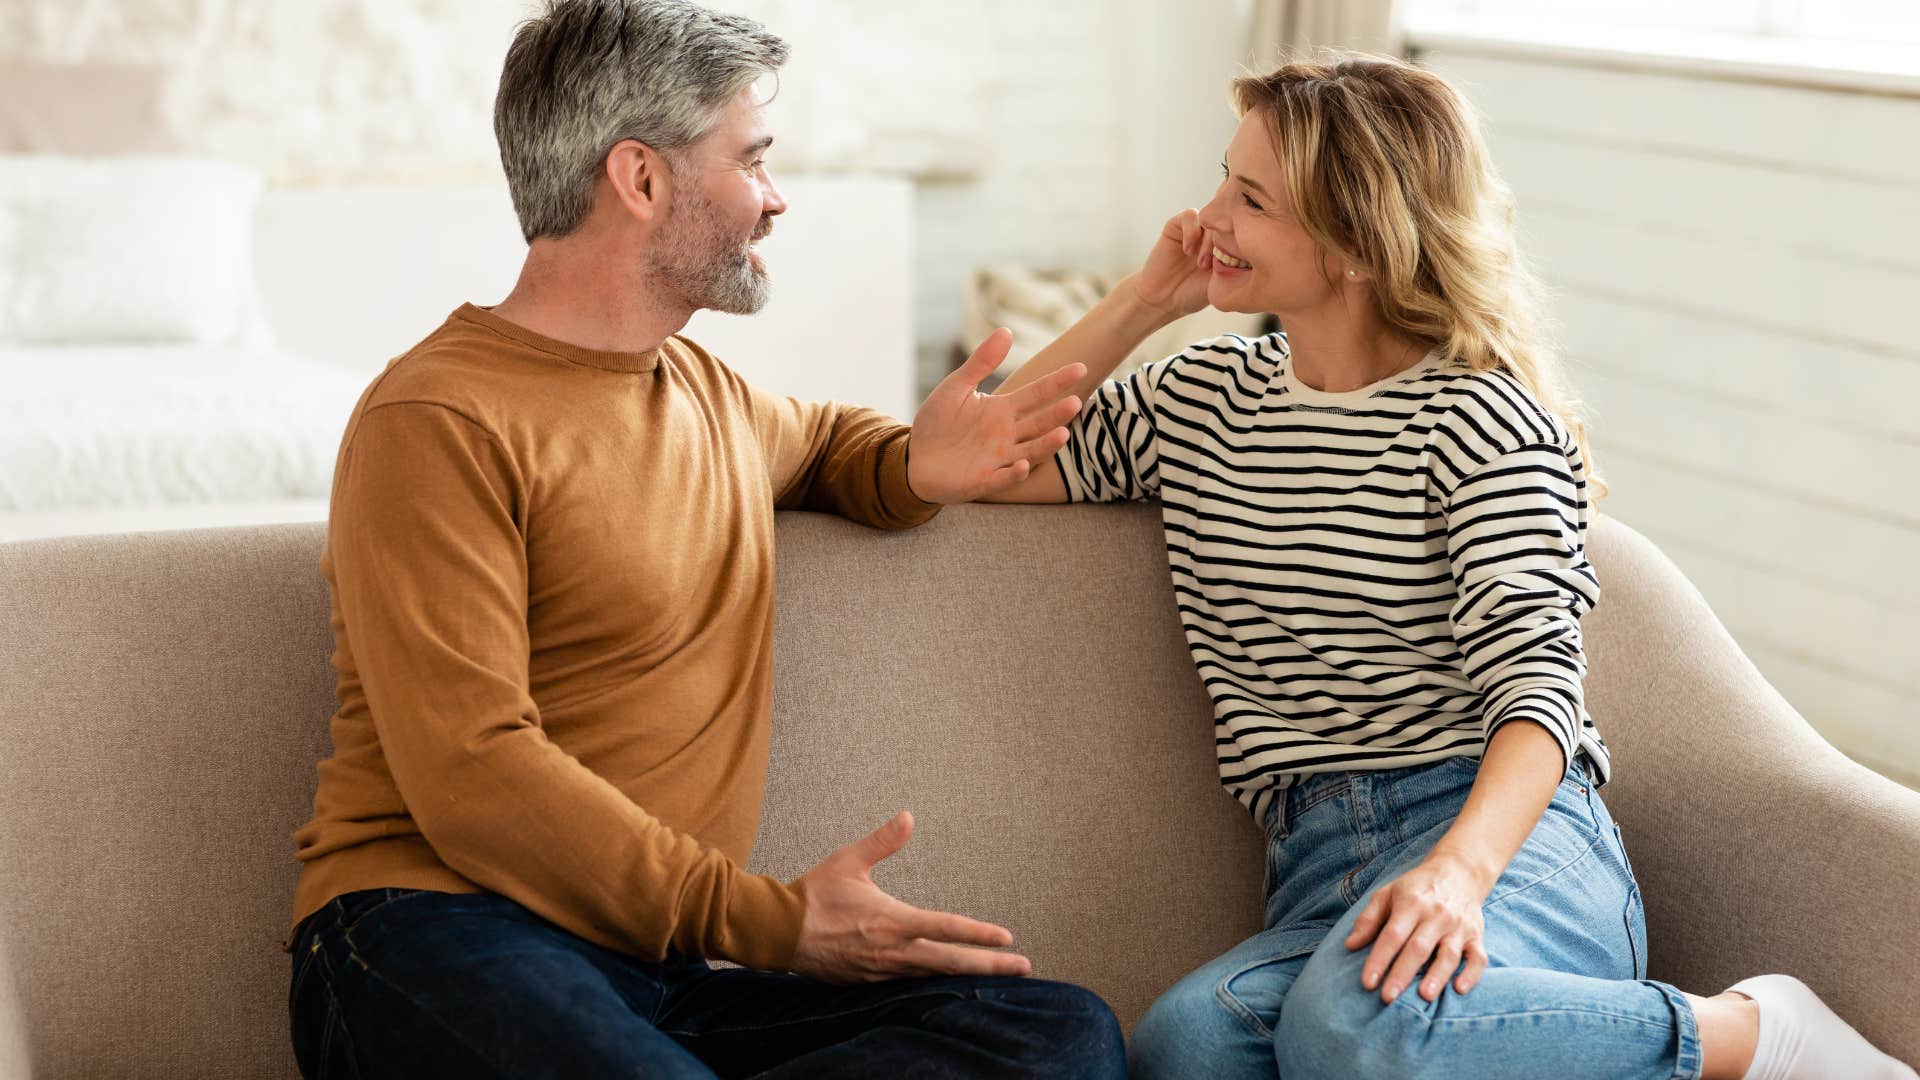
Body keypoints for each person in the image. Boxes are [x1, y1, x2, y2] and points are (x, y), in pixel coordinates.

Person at [987, 53, 1916, 1080]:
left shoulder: (1478, 418)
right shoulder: (1199, 401)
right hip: (1317, 867)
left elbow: (1539, 691)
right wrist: (1144, 303)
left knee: (1358, 1026)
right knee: (1189, 1047)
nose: (1207, 217)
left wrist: (1457, 877)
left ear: (1354, 242)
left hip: (1507, 847)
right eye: (1221, 179)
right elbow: (981, 456)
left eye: (1250, 199)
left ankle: (1753, 1036)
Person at [284, 1, 1126, 1076]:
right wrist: (770, 923)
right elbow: (473, 774)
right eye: (752, 160)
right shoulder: (437, 420)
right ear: (639, 179)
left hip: (653, 972)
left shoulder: (707, 396)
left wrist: (914, 463)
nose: (775, 201)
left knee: (1054, 1038)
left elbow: (823, 444)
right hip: (431, 933)